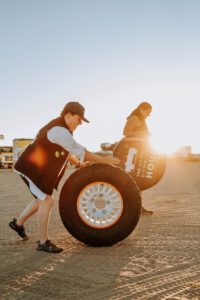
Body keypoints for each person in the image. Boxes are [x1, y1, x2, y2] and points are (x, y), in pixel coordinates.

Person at [9, 101, 119, 253]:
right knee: (47, 201)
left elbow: (65, 151)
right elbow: (82, 151)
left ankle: (17, 224)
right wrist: (106, 160)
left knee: (41, 199)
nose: (80, 123)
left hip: (31, 167)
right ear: (68, 115)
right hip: (29, 168)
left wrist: (78, 163)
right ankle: (43, 242)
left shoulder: (61, 129)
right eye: (79, 119)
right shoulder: (59, 130)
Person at [123, 101, 153, 215]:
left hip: (139, 152)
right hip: (133, 153)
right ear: (141, 109)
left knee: (140, 181)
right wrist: (142, 135)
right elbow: (125, 132)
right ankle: (134, 207)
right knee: (136, 180)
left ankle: (138, 206)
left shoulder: (140, 119)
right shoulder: (135, 117)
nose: (149, 115)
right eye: (148, 112)